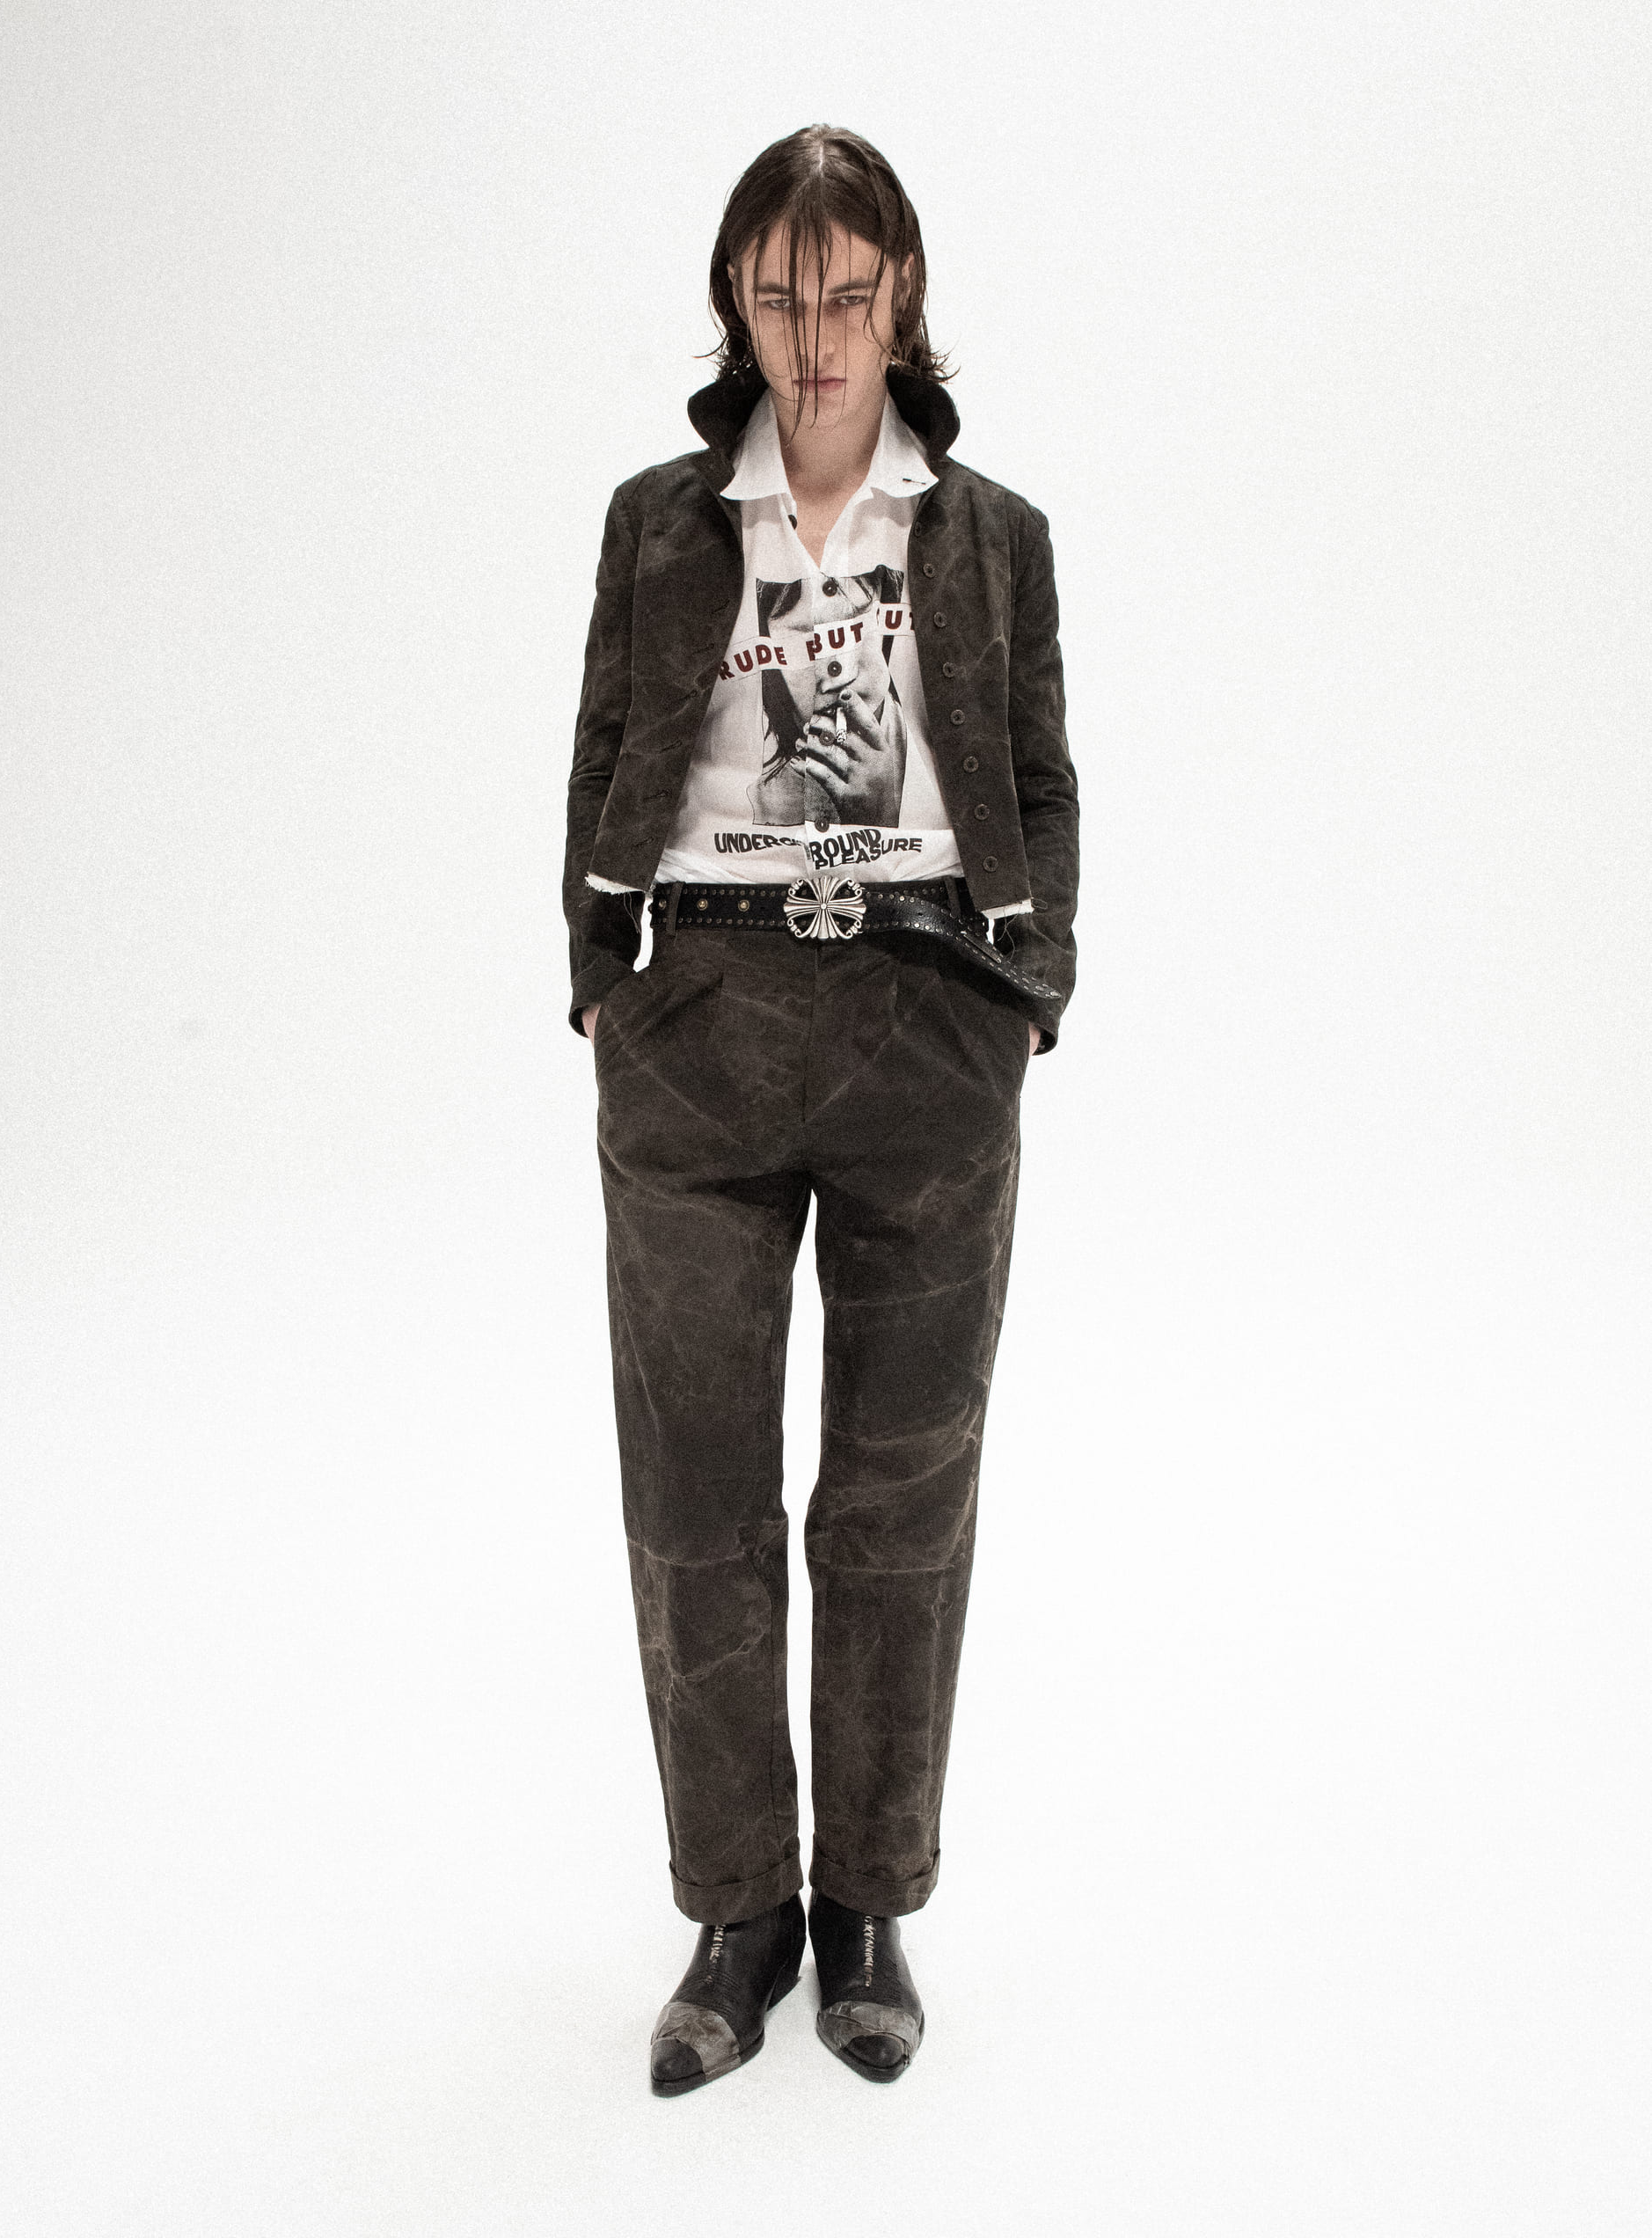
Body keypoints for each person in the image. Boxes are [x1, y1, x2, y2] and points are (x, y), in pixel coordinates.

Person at [562, 125, 1079, 2095]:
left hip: (928, 1022)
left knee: (896, 1495)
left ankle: (866, 1906)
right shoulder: (656, 520)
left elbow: (1040, 768)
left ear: (900, 297)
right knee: (694, 1497)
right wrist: (606, 984)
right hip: (694, 1022)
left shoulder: (992, 534)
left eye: (847, 293)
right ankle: (735, 1915)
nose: (815, 334)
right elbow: (603, 748)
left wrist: (1027, 989)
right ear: (736, 303)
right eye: (779, 295)